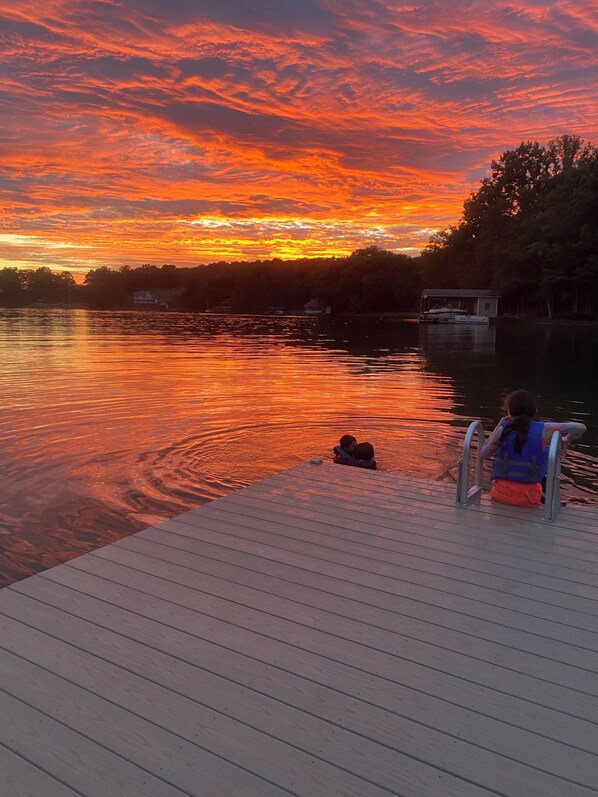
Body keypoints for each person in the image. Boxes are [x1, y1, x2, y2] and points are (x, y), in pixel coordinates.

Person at [481, 389, 586, 507]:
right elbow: (580, 427)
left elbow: (483, 454)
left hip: (500, 495)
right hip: (529, 498)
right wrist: (566, 440)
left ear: (509, 411)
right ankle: (549, 499)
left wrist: (499, 425)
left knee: (545, 450)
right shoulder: (545, 429)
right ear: (534, 410)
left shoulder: (502, 430)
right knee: (546, 451)